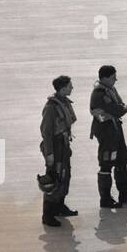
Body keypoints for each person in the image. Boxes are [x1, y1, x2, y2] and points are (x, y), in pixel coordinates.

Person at [90, 65, 127, 208]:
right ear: (104, 78)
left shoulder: (110, 90)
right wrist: (122, 108)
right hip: (106, 132)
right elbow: (118, 109)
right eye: (113, 78)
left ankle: (124, 194)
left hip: (115, 129)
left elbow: (118, 107)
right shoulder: (99, 94)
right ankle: (105, 199)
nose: (115, 80)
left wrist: (120, 108)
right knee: (106, 164)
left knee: (122, 160)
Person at [39, 74, 77, 226]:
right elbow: (46, 132)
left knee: (65, 176)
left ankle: (60, 206)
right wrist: (49, 154)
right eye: (69, 86)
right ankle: (47, 214)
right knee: (53, 179)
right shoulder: (51, 108)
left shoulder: (64, 103)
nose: (72, 88)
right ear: (62, 89)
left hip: (63, 145)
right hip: (55, 146)